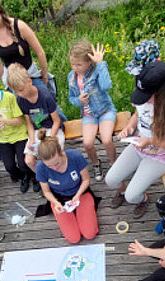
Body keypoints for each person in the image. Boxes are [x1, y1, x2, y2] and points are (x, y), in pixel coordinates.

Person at [106, 61, 165, 219]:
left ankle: (143, 199)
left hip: (160, 156)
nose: (141, 100)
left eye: (146, 97)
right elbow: (137, 115)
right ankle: (122, 191)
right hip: (139, 146)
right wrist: (129, 127)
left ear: (160, 92)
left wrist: (150, 141)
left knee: (132, 197)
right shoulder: (143, 98)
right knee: (111, 180)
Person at [0, 0, 62, 110]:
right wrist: (7, 83)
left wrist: (44, 76)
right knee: (27, 112)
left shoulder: (19, 26)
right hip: (12, 79)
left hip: (30, 74)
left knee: (51, 106)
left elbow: (40, 52)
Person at [7, 62, 64, 191]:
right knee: (28, 160)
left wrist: (50, 138)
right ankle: (45, 178)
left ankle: (60, 176)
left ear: (29, 80)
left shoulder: (45, 96)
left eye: (21, 90)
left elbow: (56, 121)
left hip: (52, 129)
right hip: (37, 131)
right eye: (17, 92)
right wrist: (32, 140)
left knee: (53, 153)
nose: (20, 94)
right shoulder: (21, 100)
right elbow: (28, 122)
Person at [36, 131, 99, 244]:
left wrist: (78, 195)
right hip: (59, 198)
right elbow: (46, 192)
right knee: (73, 239)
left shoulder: (75, 157)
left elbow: (86, 180)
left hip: (80, 193)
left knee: (90, 234)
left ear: (61, 152)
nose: (54, 168)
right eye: (49, 166)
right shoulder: (40, 167)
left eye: (57, 163)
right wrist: (55, 203)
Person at [68, 40, 117, 181]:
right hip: (89, 114)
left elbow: (106, 85)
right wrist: (79, 101)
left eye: (79, 64)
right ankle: (96, 163)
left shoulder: (97, 71)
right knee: (87, 143)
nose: (75, 68)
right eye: (72, 64)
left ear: (89, 62)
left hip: (105, 110)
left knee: (107, 139)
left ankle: (113, 162)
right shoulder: (71, 77)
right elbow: (71, 98)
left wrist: (101, 64)